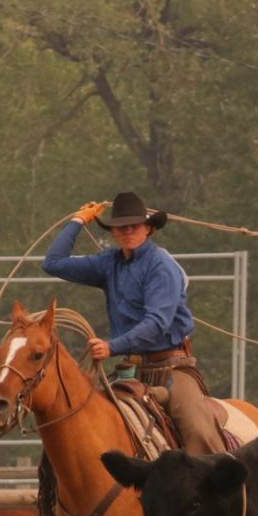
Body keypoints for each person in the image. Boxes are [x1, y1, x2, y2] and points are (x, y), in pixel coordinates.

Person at [42, 191, 226, 455]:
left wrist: (111, 346)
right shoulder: (109, 263)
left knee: (198, 433)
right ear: (114, 232)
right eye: (120, 227)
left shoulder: (161, 266)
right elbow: (53, 263)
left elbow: (156, 324)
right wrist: (77, 221)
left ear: (148, 229)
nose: (127, 231)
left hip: (171, 369)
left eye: (134, 226)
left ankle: (219, 490)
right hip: (129, 371)